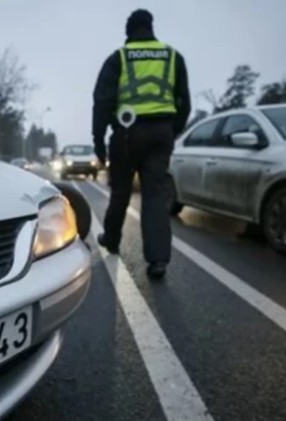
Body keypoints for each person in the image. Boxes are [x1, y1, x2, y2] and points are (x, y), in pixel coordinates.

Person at [92, 9, 191, 279]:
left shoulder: (119, 58)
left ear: (129, 31)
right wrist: (171, 131)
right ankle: (158, 260)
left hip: (126, 134)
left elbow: (102, 102)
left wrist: (98, 142)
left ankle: (111, 239)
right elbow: (184, 101)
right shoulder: (173, 57)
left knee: (121, 192)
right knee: (156, 196)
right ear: (150, 28)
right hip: (161, 133)